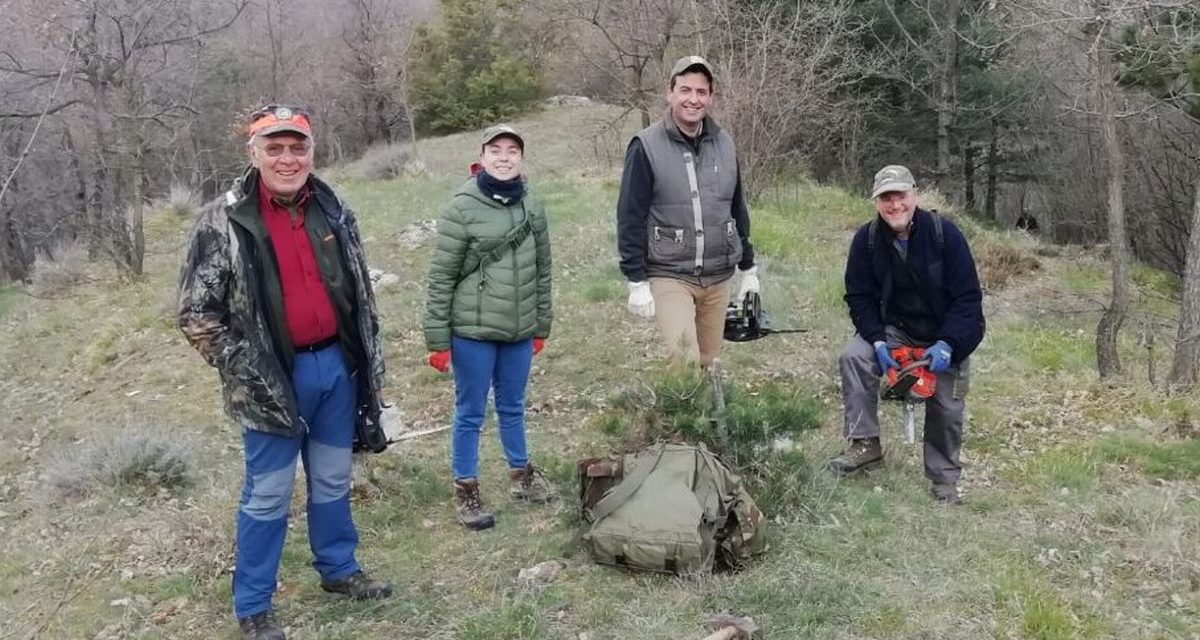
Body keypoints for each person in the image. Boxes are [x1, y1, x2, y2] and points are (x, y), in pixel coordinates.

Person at [178, 105, 391, 640]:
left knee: (332, 480)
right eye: (274, 147)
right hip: (270, 381)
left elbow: (358, 292)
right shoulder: (222, 220)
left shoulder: (333, 206)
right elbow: (197, 316)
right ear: (253, 153)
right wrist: (246, 371)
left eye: (297, 147)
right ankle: (253, 605)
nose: (288, 158)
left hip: (335, 370)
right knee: (268, 494)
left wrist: (363, 364)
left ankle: (339, 571)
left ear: (311, 151)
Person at [423, 124, 554, 531]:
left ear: (521, 158)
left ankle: (521, 475)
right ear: (482, 155)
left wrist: (540, 327)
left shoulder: (533, 204)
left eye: (512, 150)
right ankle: (467, 488)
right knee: (470, 412)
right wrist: (437, 341)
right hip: (472, 333)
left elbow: (543, 270)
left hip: (518, 330)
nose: (504, 156)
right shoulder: (461, 206)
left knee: (513, 406)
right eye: (496, 149)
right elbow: (441, 277)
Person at [830, 165, 985, 504]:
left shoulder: (946, 236)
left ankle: (944, 480)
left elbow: (969, 300)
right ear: (876, 202)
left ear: (914, 195)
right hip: (895, 331)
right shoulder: (866, 241)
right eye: (886, 198)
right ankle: (865, 444)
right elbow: (859, 298)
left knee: (946, 406)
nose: (894, 205)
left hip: (945, 335)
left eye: (900, 195)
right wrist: (878, 341)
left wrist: (949, 344)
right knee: (854, 356)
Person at [616, 55, 758, 368]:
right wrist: (636, 281)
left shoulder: (726, 144)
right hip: (670, 272)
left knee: (709, 360)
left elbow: (736, 207)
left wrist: (749, 269)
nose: (693, 99)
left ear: (710, 97)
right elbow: (630, 216)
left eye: (701, 92)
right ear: (670, 93)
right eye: (685, 90)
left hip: (718, 274)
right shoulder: (645, 146)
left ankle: (707, 417)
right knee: (683, 359)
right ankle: (679, 414)